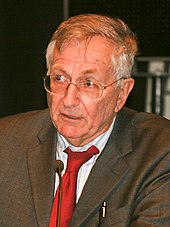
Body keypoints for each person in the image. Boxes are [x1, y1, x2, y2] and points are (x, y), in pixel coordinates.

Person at [0, 13, 170, 227]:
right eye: (59, 79)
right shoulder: (4, 144)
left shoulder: (160, 153)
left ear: (122, 93)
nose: (68, 100)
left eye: (88, 83)